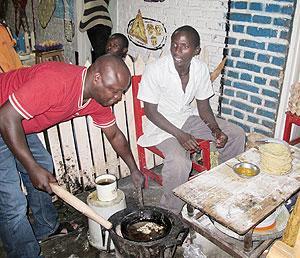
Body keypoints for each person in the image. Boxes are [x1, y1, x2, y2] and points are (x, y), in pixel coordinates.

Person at [0, 54, 144, 258]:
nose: (118, 97)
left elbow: (114, 134)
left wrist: (134, 169)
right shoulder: (56, 82)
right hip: (5, 116)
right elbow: (6, 117)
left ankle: (47, 228)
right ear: (96, 78)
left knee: (43, 165)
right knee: (13, 203)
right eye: (114, 91)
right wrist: (31, 168)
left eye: (121, 92)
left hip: (17, 123)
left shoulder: (96, 100)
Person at [137, 25, 245, 214]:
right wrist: (180, 135)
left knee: (236, 134)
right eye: (174, 45)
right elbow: (151, 112)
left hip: (186, 117)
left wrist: (216, 130)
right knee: (180, 162)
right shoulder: (156, 70)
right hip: (162, 125)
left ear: (196, 51)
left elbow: (203, 107)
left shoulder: (200, 69)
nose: (177, 51)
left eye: (184, 46)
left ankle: (226, 185)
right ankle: (170, 213)